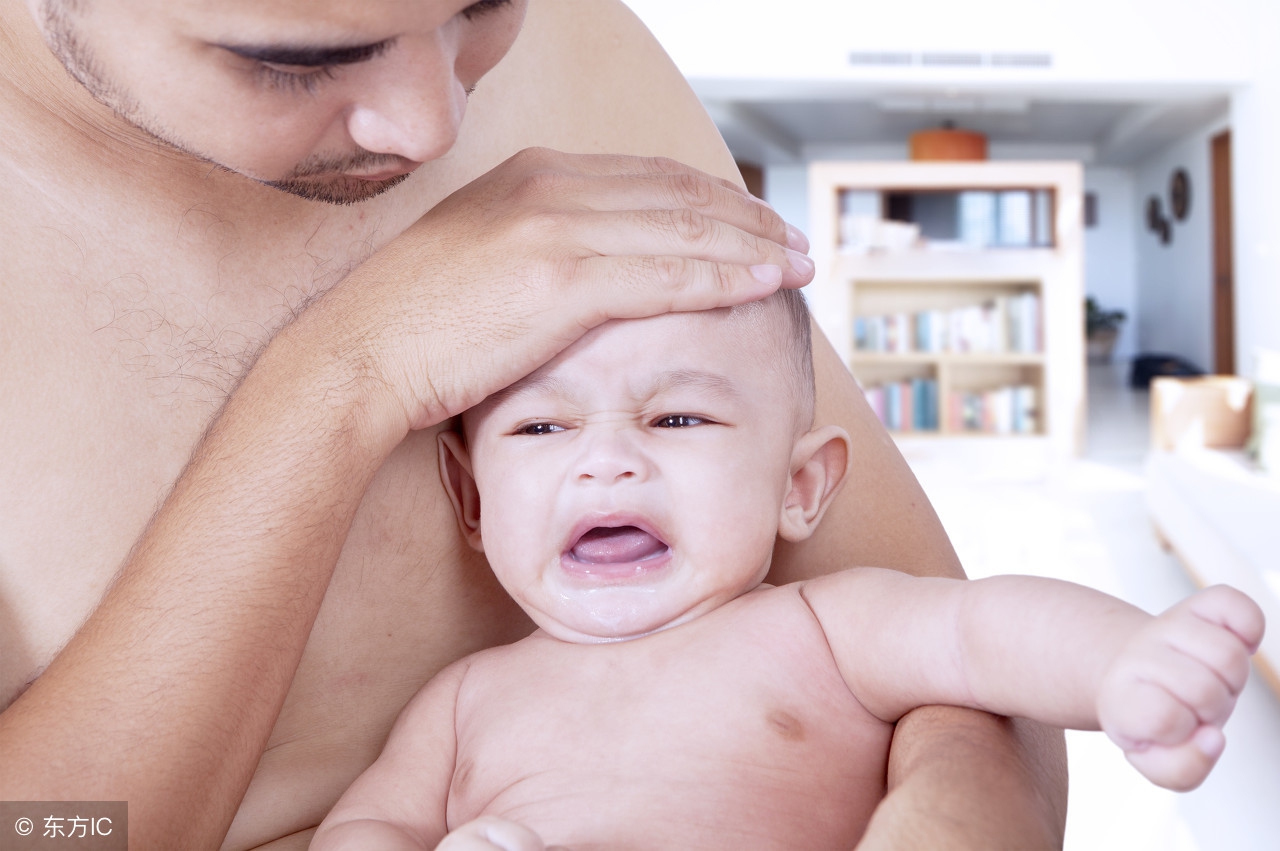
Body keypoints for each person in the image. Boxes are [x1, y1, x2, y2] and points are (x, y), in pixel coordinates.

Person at [0, 1, 1066, 847]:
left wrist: (953, 819)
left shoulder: (581, 40)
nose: (434, 126)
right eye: (293, 56)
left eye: (483, 7)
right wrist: (344, 377)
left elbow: (952, 662)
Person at [312, 291, 1265, 851]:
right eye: (540, 427)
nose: (605, 462)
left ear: (799, 486)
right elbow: (367, 829)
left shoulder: (816, 629)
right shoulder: (462, 698)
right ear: (473, 501)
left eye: (677, 419)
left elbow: (983, 630)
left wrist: (1123, 662)